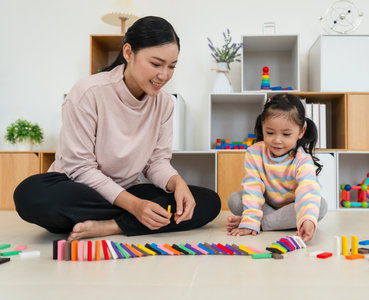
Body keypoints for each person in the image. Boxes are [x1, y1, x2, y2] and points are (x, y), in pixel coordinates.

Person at [14, 16, 221, 241]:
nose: (164, 75)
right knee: (30, 195)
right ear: (128, 53)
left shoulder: (164, 104)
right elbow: (81, 168)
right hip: (78, 189)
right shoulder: (88, 92)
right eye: (156, 64)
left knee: (207, 201)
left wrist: (177, 182)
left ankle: (111, 226)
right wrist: (134, 206)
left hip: (124, 191)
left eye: (171, 66)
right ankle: (132, 220)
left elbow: (156, 162)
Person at [226, 93, 327, 242]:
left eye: (286, 134)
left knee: (320, 206)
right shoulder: (254, 153)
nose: (277, 140)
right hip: (266, 205)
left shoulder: (302, 160)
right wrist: (251, 217)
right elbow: (253, 187)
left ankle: (262, 223)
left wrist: (307, 220)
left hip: (291, 208)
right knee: (234, 200)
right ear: (263, 127)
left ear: (301, 132)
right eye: (270, 133)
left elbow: (308, 189)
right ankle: (268, 222)